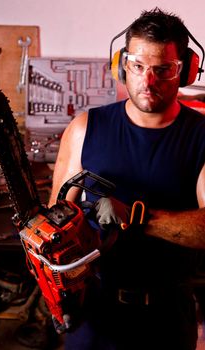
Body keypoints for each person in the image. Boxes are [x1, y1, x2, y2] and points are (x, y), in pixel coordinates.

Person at [48, 7, 205, 350]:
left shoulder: (202, 137)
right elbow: (53, 224)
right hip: (93, 317)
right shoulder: (83, 129)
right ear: (122, 65)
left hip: (167, 318)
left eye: (163, 69)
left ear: (187, 70)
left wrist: (136, 217)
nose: (148, 81)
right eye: (137, 66)